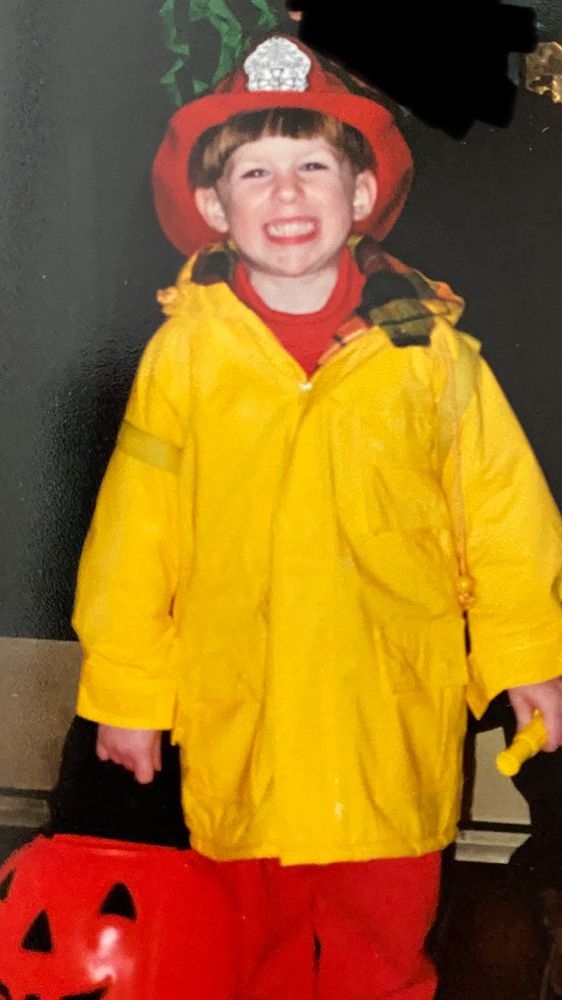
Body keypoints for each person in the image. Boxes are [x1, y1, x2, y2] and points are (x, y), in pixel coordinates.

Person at [71, 33, 562, 1000]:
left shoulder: (430, 355)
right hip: (241, 729)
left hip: (385, 728)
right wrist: (127, 690)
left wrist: (529, 657)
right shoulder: (184, 358)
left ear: (362, 193)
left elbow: (505, 513)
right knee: (244, 954)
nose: (286, 193)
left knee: (381, 954)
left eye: (313, 168)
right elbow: (135, 533)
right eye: (255, 172)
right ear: (215, 206)